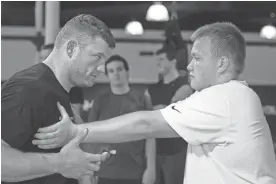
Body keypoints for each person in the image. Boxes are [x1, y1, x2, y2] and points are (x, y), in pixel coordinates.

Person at [33, 22, 276, 184]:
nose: (189, 66)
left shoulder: (224, 97)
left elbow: (146, 124)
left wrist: (76, 131)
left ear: (222, 64)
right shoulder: (236, 96)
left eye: (197, 58)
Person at [1, 14, 116, 183]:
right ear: (71, 49)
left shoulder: (57, 91)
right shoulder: (29, 88)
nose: (101, 69)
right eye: (97, 57)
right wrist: (61, 163)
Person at [80, 55, 156, 184]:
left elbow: (150, 136)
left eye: (119, 69)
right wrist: (88, 170)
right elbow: (91, 137)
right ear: (107, 75)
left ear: (127, 72)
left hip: (134, 170)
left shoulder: (141, 99)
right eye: (111, 71)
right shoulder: (100, 101)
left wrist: (151, 168)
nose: (116, 74)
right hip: (106, 170)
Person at [147, 45, 193, 184]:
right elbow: (150, 121)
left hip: (179, 151)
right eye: (157, 60)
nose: (158, 63)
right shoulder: (152, 90)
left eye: (161, 59)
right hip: (156, 150)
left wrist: (161, 111)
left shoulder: (187, 85)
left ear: (172, 61)